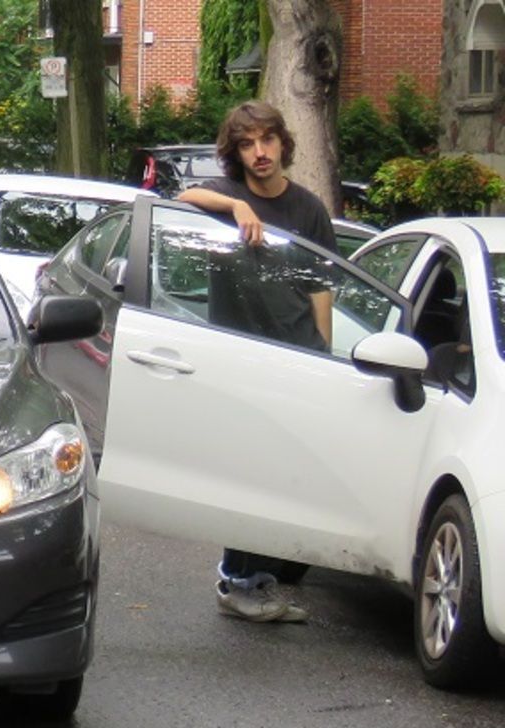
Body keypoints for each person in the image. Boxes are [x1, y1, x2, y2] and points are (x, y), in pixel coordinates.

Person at [176, 99, 335, 624]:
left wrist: (324, 360)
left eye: (267, 140)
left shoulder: (308, 208)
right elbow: (180, 195)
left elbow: (320, 287)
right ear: (235, 152)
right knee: (248, 472)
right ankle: (238, 579)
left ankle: (257, 578)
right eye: (247, 144)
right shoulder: (228, 194)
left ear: (282, 144)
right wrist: (237, 209)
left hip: (294, 354)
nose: (259, 152)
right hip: (241, 358)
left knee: (280, 473)